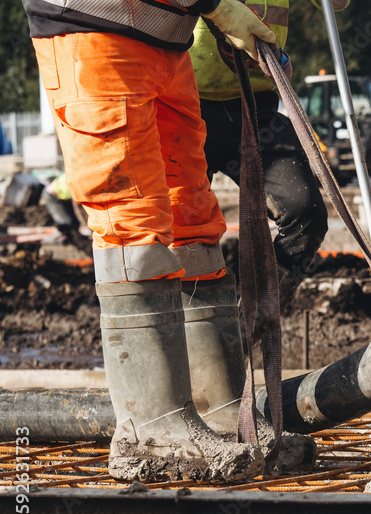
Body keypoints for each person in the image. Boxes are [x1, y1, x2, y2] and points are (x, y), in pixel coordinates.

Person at [22, 0, 284, 482]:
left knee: (193, 216)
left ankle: (219, 409)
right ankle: (153, 426)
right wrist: (218, 7)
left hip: (164, 41)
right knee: (131, 220)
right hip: (94, 32)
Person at [190, 0, 349, 310]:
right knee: (184, 229)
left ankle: (256, 317)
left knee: (307, 214)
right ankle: (195, 328)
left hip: (257, 103)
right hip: (186, 104)